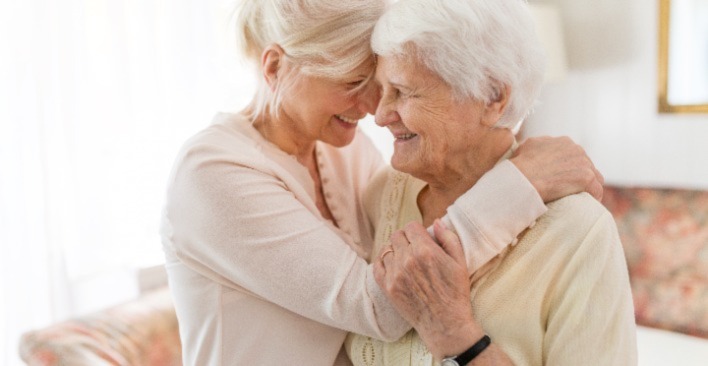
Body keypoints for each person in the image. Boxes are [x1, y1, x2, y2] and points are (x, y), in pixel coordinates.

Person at [160, 0, 605, 365]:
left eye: (380, 82)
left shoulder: (342, 149)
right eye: (354, 82)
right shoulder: (212, 174)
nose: (374, 108)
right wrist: (520, 184)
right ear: (275, 68)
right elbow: (380, 303)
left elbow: (402, 234)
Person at [344, 0, 637, 365]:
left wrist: (455, 335)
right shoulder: (382, 193)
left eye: (403, 91)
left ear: (492, 97)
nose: (382, 115)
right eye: (382, 90)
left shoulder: (580, 232)